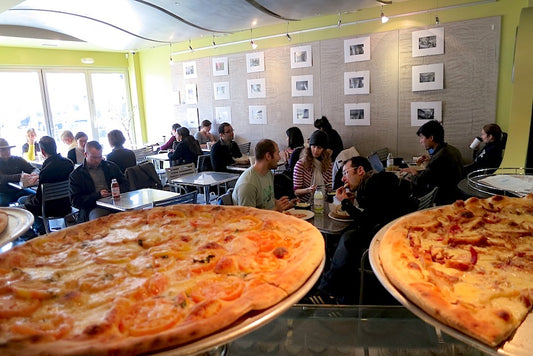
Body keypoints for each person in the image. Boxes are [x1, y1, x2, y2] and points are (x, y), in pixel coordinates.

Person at [316, 156, 417, 304]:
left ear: (360, 170)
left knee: (347, 239)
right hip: (394, 231)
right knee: (345, 238)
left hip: (385, 239)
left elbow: (367, 222)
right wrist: (352, 200)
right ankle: (337, 288)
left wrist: (345, 202)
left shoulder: (374, 184)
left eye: (346, 173)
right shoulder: (377, 181)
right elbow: (372, 212)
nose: (343, 179)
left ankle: (327, 290)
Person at [19, 136, 74, 235]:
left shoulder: (46, 171)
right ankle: (40, 228)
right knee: (26, 199)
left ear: (42, 151)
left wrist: (29, 200)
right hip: (67, 205)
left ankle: (37, 233)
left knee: (22, 203)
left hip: (50, 209)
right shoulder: (69, 163)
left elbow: (39, 199)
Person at [401, 120, 464, 205]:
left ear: (431, 138)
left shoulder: (440, 157)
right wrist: (429, 160)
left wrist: (414, 172)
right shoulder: (451, 149)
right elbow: (433, 173)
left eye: (422, 137)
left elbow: (420, 181)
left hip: (444, 198)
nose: (420, 141)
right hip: (454, 193)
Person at [70, 141, 128, 222]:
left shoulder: (110, 166)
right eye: (94, 157)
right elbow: (76, 201)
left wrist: (116, 191)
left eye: (100, 157)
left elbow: (125, 184)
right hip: (94, 206)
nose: (97, 160)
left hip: (116, 203)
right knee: (98, 221)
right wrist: (97, 195)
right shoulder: (77, 175)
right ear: (85, 154)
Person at [232, 139, 296, 211]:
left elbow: (267, 201)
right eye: (277, 154)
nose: (279, 158)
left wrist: (283, 205)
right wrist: (277, 210)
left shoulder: (268, 173)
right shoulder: (248, 184)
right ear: (268, 156)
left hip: (270, 219)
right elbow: (249, 218)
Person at [293, 130, 332, 202]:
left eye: (319, 148)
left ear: (324, 149)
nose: (315, 150)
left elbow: (329, 187)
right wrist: (308, 190)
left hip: (323, 201)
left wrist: (325, 189)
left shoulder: (329, 165)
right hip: (305, 203)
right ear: (310, 146)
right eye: (313, 146)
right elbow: (296, 191)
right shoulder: (301, 165)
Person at [0, 138, 38, 206]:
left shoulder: (18, 159)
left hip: (20, 190)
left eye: (8, 149)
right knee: (2, 203)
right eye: (3, 150)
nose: (7, 151)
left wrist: (34, 173)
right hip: (3, 192)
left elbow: (32, 169)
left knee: (37, 196)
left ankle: (31, 215)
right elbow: (2, 178)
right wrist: (20, 176)